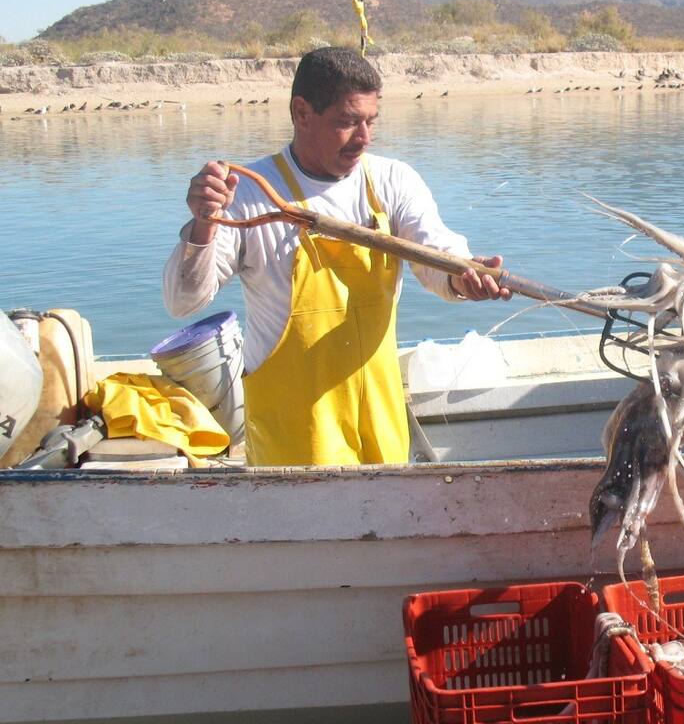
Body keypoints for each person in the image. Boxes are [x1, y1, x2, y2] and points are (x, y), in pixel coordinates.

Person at [163, 46, 510, 467]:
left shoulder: (391, 180)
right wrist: (204, 223)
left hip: (380, 419)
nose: (363, 138)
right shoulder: (249, 193)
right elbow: (183, 302)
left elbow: (436, 253)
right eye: (347, 122)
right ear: (302, 112)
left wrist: (463, 277)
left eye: (370, 121)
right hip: (294, 433)